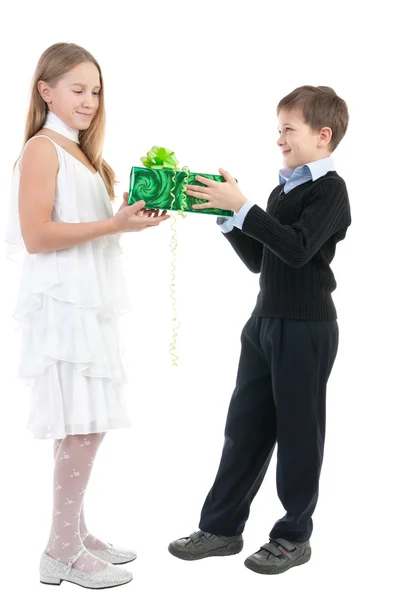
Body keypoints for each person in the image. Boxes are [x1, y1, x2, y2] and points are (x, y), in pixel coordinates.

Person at [5, 42, 170, 589]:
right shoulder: (42, 150)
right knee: (85, 425)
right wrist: (113, 226)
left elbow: (93, 226)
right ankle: (60, 550)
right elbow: (36, 236)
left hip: (88, 302)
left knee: (81, 421)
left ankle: (74, 532)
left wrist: (130, 219)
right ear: (45, 90)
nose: (90, 100)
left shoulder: (84, 156)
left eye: (96, 91)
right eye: (78, 89)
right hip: (63, 307)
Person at [168, 85, 351, 575]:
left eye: (288, 129)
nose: (280, 140)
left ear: (323, 134)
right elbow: (260, 259)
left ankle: (293, 537)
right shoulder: (281, 189)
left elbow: (296, 248)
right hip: (264, 322)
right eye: (279, 129)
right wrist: (227, 216)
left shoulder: (330, 190)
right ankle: (221, 528)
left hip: (306, 328)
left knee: (298, 434)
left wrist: (246, 207)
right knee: (244, 427)